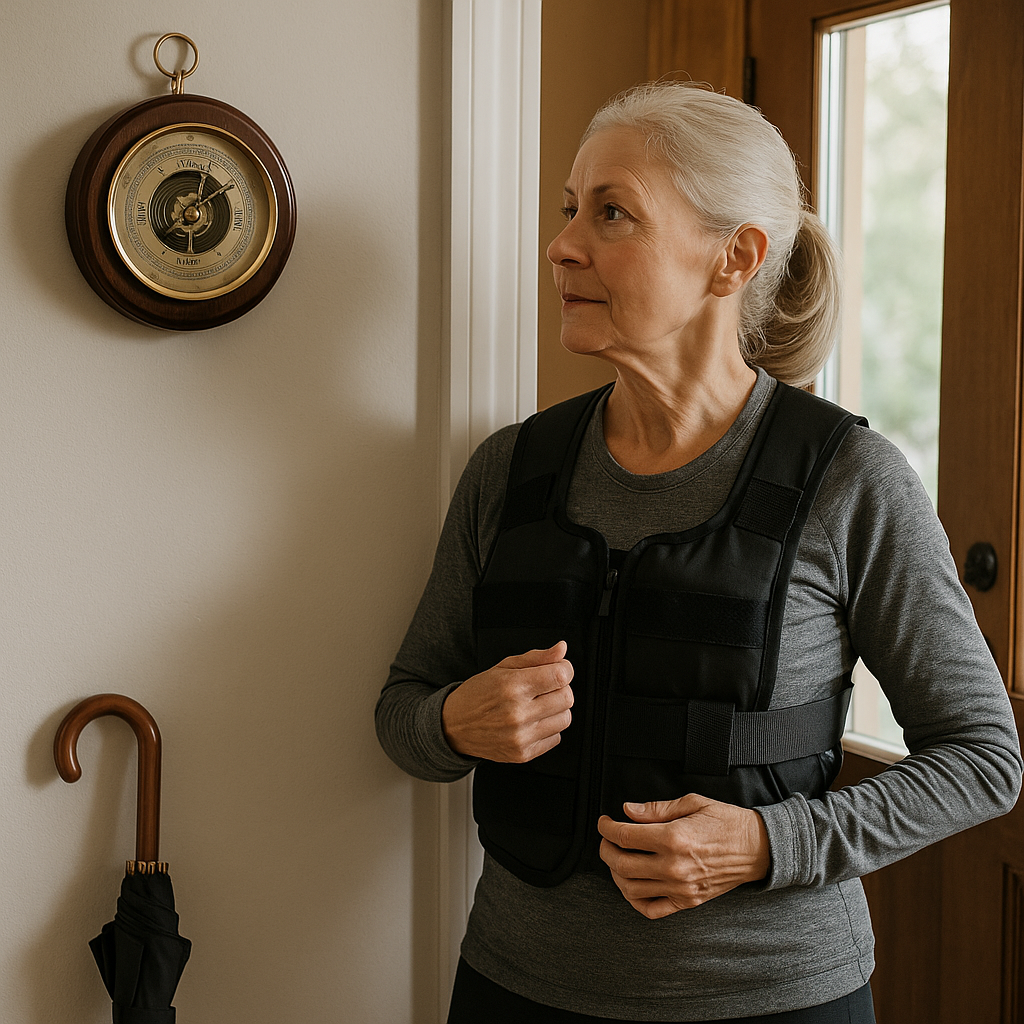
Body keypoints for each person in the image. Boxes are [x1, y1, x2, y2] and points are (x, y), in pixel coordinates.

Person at [375, 82, 1022, 1023]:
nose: (562, 243)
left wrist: (769, 845)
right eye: (568, 209)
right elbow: (403, 711)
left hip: (774, 999)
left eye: (612, 213)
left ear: (734, 258)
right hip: (516, 986)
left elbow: (983, 758)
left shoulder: (848, 479)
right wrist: (454, 725)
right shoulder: (508, 470)